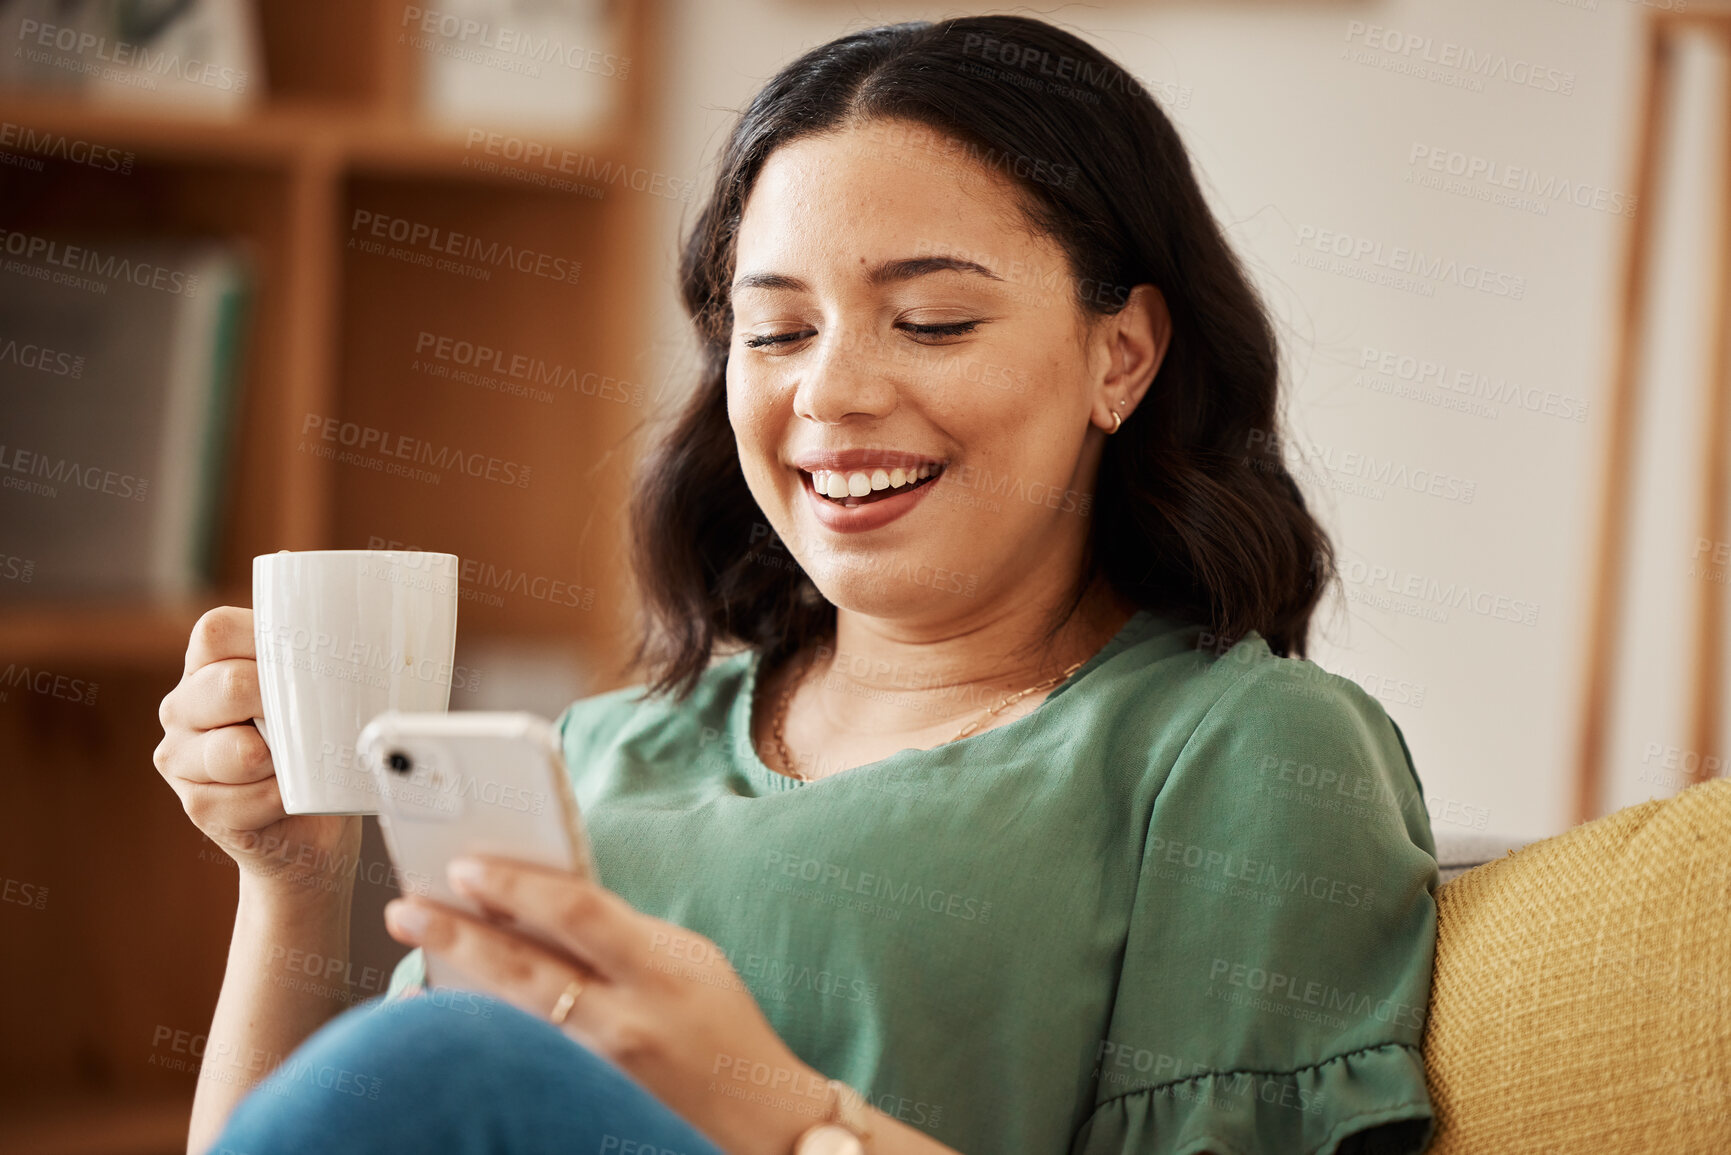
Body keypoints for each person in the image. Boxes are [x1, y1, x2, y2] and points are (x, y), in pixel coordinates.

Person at [154, 14, 1439, 1155]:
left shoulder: (1245, 752)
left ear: (1124, 355)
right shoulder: (599, 753)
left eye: (931, 321)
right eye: (773, 332)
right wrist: (296, 880)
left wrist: (765, 1106)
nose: (828, 394)